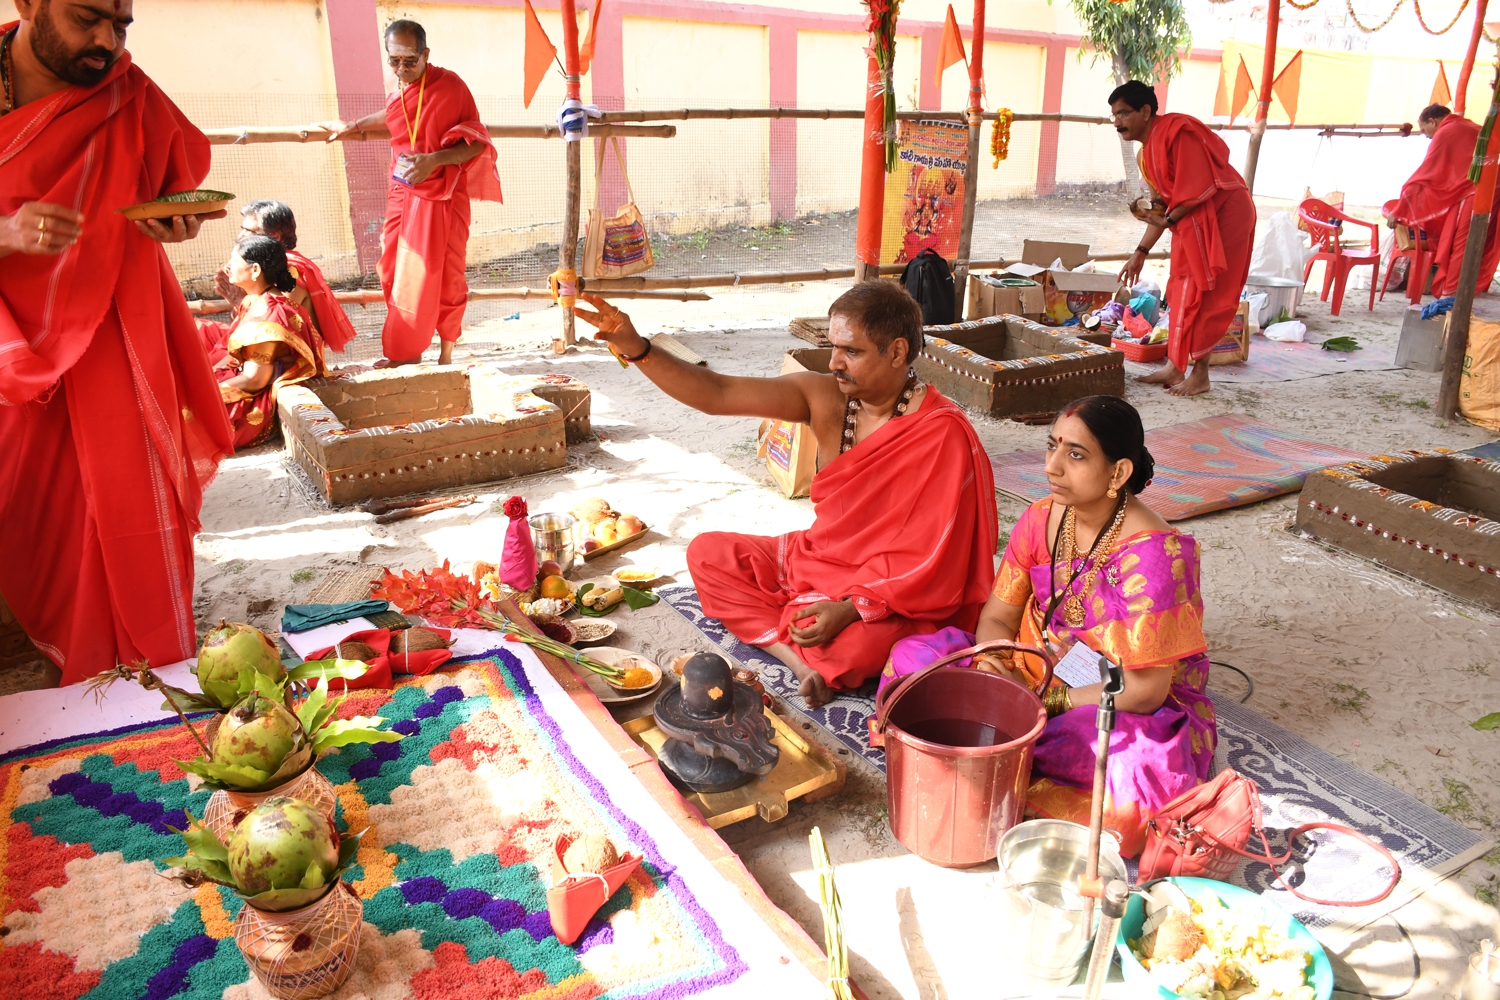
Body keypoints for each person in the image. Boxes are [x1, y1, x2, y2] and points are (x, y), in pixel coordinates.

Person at [575, 281, 998, 708]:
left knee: (849, 652)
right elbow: (717, 393)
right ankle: (797, 659)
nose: (834, 363)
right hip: (818, 561)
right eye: (833, 347)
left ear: (897, 352)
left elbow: (936, 561)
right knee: (707, 553)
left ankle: (800, 627)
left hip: (891, 594)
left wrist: (850, 609)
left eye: (851, 351)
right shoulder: (822, 395)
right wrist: (636, 347)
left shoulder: (942, 432)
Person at [0, 0, 233, 685]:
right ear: (28, 4)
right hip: (14, 338)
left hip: (114, 324)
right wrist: (6, 232)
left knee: (135, 493)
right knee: (32, 508)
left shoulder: (125, 91)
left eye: (122, 23)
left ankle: (148, 672)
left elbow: (174, 184)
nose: (108, 40)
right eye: (88, 18)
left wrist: (178, 219)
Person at [883, 396, 1215, 857]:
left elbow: (1144, 691)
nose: (1052, 466)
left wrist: (1045, 702)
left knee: (1130, 785)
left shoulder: (1153, 556)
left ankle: (994, 763)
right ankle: (1010, 760)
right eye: (1051, 446)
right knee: (911, 660)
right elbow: (998, 616)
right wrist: (996, 667)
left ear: (1118, 473)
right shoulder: (1041, 518)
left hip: (1102, 698)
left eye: (1075, 454)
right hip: (1026, 665)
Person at [316, 19, 501, 367]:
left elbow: (476, 143)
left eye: (409, 61)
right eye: (394, 61)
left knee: (446, 274)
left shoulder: (451, 86)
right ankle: (408, 352)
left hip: (442, 195)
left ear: (425, 54)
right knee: (392, 268)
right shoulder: (402, 87)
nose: (401, 69)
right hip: (403, 192)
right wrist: (353, 126)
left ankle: (446, 354)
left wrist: (435, 160)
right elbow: (393, 115)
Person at [1115, 80, 1255, 398]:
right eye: (1114, 115)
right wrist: (1140, 251)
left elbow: (1197, 190)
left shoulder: (1178, 132)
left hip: (1225, 213)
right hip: (1190, 220)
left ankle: (1200, 374)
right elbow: (1165, 209)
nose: (1117, 122)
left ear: (1145, 111)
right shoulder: (1145, 156)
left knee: (1206, 291)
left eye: (1123, 113)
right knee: (1180, 289)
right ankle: (1175, 366)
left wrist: (1167, 218)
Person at [199, 236, 326, 449]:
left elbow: (255, 380)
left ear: (255, 270)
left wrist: (208, 391)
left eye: (234, 260)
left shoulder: (270, 313)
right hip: (243, 376)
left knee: (187, 410)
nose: (228, 266)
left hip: (259, 397)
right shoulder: (253, 300)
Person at [1389, 104, 1500, 300]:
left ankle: (1451, 292)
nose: (1427, 136)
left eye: (1424, 130)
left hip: (1474, 192)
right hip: (1491, 188)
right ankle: (1462, 289)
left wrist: (1399, 210)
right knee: (1476, 243)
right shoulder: (1469, 126)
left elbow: (1426, 175)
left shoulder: (1446, 132)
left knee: (1460, 243)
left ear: (1433, 122)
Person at [226, 199, 358, 354]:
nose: (241, 236)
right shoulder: (270, 265)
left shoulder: (290, 269)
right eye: (242, 229)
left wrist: (239, 301)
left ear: (274, 236)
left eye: (249, 231)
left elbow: (274, 322)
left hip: (290, 359)